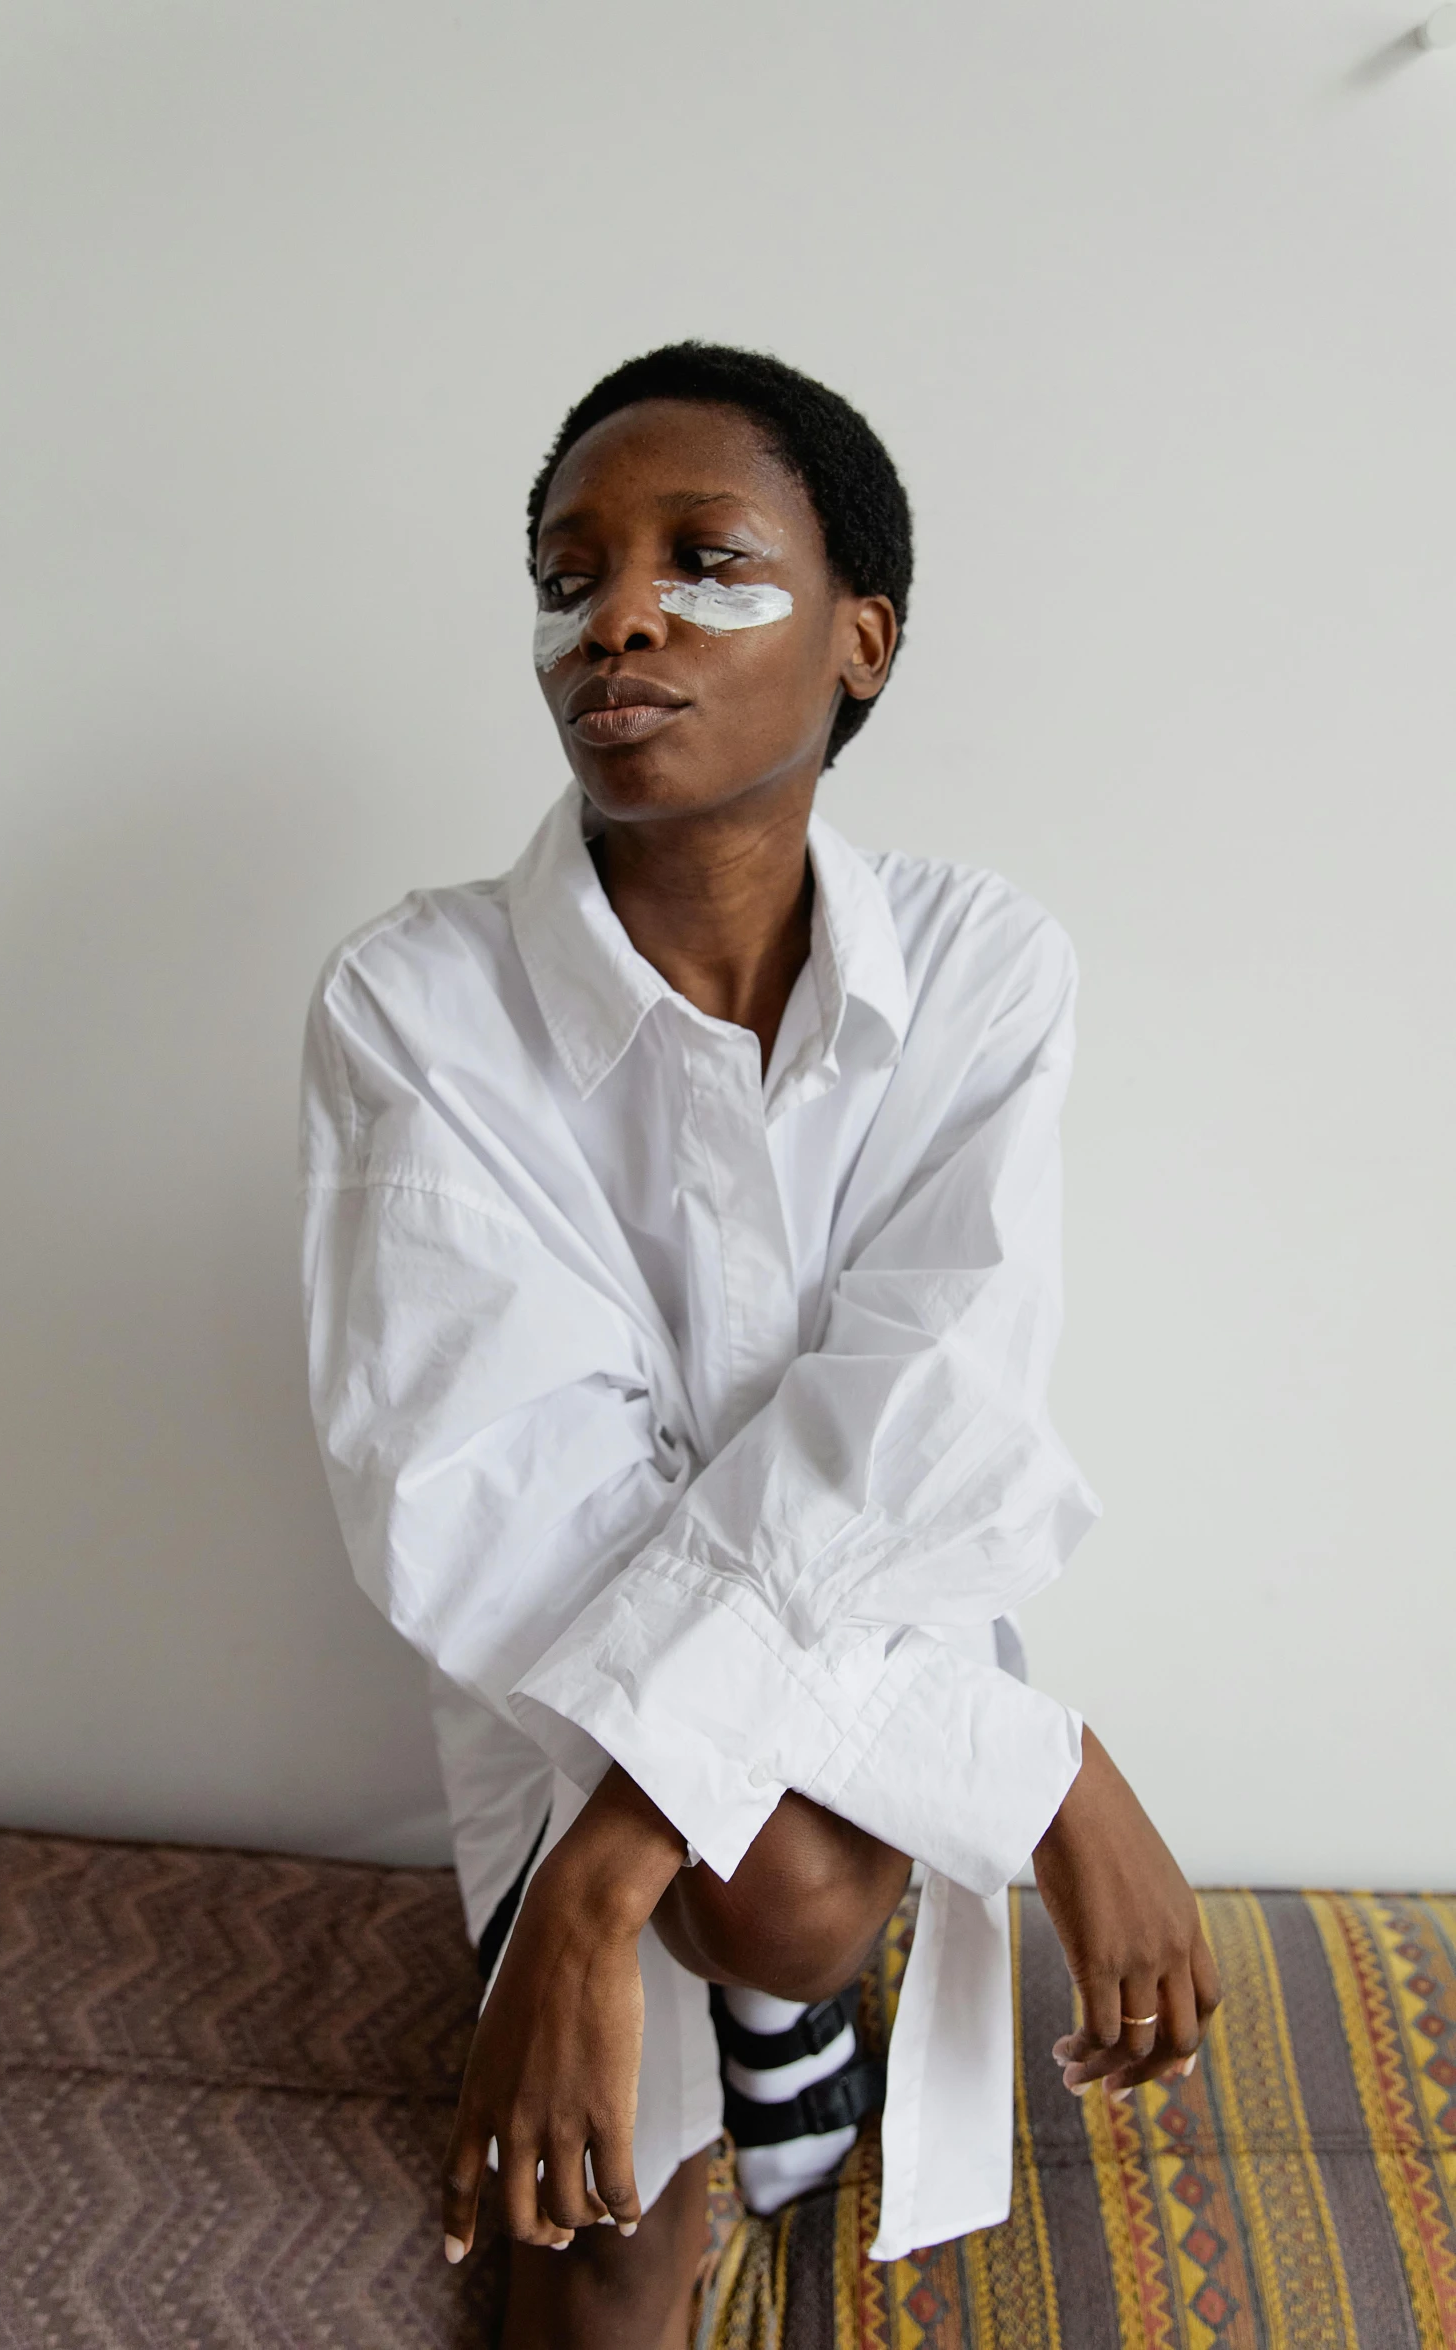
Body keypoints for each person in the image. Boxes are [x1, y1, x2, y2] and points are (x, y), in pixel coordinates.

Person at [299, 342, 1220, 2350]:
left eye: (705, 561)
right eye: (570, 574)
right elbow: (487, 1496)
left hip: (841, 1677)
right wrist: (1038, 1769)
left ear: (861, 638)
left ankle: (775, 2008)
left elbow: (932, 1420)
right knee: (734, 1980)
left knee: (769, 1883)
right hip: (581, 1689)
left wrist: (604, 1879)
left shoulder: (984, 964)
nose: (613, 613)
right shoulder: (414, 1000)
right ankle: (775, 2034)